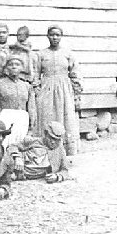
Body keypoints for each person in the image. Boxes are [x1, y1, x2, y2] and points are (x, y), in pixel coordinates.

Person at [35, 25, 83, 156]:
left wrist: (76, 92)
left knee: (65, 115)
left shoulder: (68, 54)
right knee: (47, 115)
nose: (54, 37)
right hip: (47, 88)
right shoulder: (41, 54)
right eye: (52, 34)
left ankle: (66, 150)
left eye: (57, 35)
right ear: (47, 36)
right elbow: (36, 74)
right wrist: (37, 89)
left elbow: (74, 73)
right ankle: (46, 149)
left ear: (61, 36)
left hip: (64, 88)